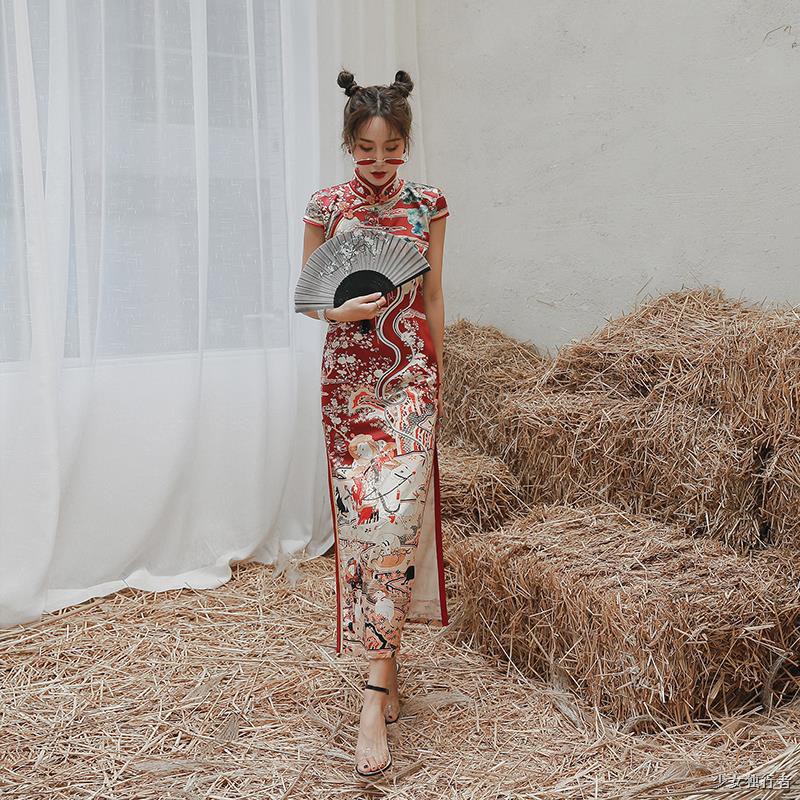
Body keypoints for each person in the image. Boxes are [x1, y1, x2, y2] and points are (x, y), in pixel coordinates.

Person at [300, 68, 450, 779]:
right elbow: (308, 297)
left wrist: (440, 370)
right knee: (366, 532)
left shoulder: (429, 205)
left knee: (398, 525)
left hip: (411, 381)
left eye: (392, 150)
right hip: (348, 386)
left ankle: (370, 698)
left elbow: (434, 296)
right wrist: (339, 309)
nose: (380, 163)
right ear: (348, 145)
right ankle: (385, 672)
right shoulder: (326, 205)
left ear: (407, 145)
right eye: (366, 151)